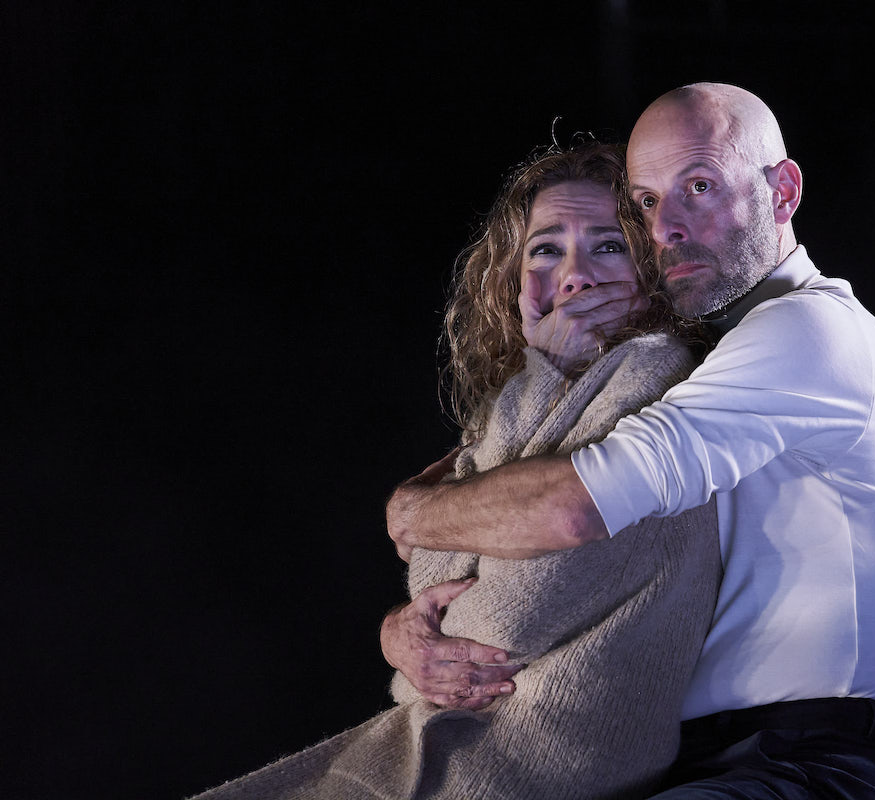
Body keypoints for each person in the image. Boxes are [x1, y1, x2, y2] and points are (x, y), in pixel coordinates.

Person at [383, 83, 875, 799]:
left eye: (699, 187)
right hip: (689, 764)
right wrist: (402, 632)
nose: (666, 227)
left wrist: (407, 513)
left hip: (803, 764)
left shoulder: (805, 330)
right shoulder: (715, 357)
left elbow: (568, 510)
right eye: (646, 202)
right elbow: (481, 527)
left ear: (783, 192)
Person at [190, 141, 721, 800]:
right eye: (545, 249)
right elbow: (427, 572)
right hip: (458, 741)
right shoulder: (536, 391)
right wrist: (543, 375)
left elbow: (499, 624)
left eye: (608, 246)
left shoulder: (655, 374)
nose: (575, 275)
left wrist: (540, 377)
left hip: (532, 767)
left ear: (650, 266)